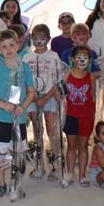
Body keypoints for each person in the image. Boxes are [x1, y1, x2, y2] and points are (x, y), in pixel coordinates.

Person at [0, 29, 36, 198]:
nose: (8, 49)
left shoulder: (25, 68)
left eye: (12, 45)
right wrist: (2, 104)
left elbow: (31, 91)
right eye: (4, 47)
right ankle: (1, 183)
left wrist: (23, 106)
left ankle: (17, 183)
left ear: (18, 45)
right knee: (1, 152)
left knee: (18, 152)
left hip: (19, 118)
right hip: (1, 118)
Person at [23, 24, 65, 181]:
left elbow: (58, 80)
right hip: (32, 99)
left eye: (42, 38)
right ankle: (38, 165)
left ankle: (54, 165)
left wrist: (46, 97)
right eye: (35, 37)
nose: (38, 41)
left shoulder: (53, 56)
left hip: (49, 98)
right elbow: (25, 81)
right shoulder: (27, 58)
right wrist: (33, 97)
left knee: (52, 131)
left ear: (48, 39)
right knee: (37, 130)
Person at [62, 46, 97, 188]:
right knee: (71, 146)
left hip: (86, 117)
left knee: (83, 146)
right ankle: (70, 173)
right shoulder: (66, 75)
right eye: (79, 57)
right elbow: (61, 94)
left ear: (89, 61)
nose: (82, 60)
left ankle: (82, 175)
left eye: (85, 57)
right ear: (72, 59)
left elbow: (93, 97)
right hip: (70, 116)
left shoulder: (91, 77)